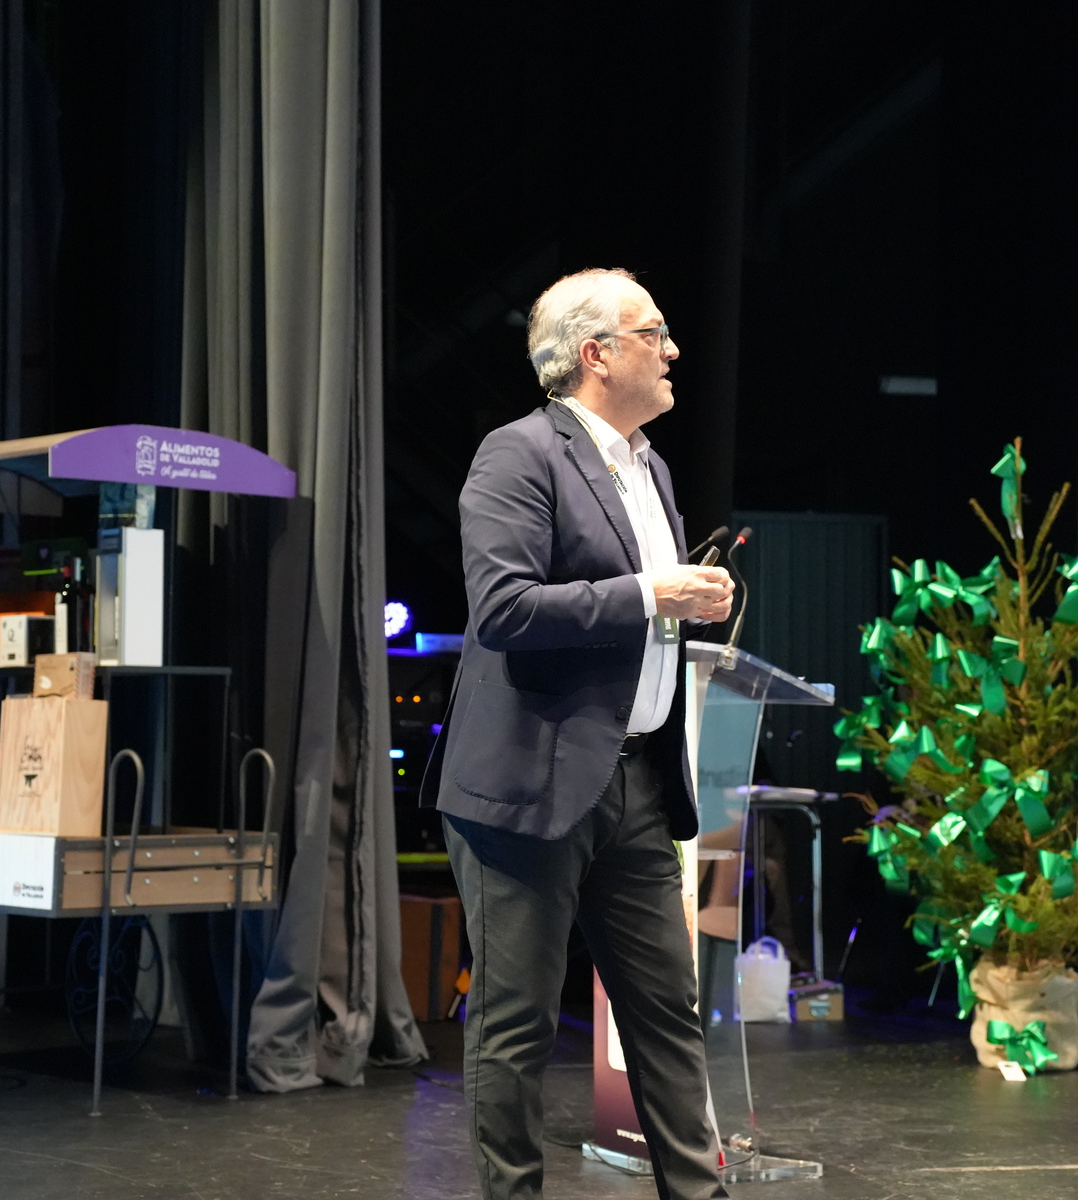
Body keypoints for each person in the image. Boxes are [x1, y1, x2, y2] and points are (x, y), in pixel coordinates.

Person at [423, 267, 734, 1200]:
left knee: (668, 1016)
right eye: (654, 333)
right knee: (515, 1026)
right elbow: (505, 609)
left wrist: (688, 602)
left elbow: (639, 615)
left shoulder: (650, 468)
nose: (672, 350)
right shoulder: (518, 454)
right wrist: (651, 593)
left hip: (638, 782)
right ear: (596, 353)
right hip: (528, 786)